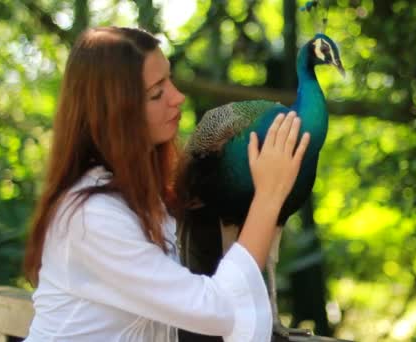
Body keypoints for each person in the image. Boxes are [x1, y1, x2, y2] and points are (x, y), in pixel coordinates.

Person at [22, 26, 310, 342]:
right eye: (157, 92)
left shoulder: (141, 197)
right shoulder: (91, 217)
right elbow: (219, 310)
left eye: (170, 80)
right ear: (116, 114)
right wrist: (268, 197)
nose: (178, 97)